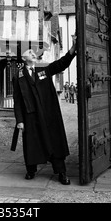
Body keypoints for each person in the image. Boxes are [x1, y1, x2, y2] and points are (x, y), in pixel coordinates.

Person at [11, 36, 77, 185]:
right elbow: (17, 101)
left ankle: (61, 172)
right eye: (30, 52)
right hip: (31, 116)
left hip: (49, 113)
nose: (33, 53)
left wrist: (72, 50)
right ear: (23, 57)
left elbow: (60, 65)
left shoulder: (44, 70)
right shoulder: (18, 76)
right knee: (32, 143)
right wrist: (20, 120)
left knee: (55, 142)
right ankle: (31, 170)